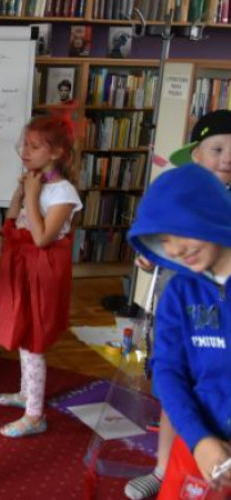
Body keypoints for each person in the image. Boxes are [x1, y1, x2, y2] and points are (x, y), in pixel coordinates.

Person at [125, 108, 231, 499]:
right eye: (163, 240)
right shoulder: (179, 293)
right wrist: (200, 440)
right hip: (197, 444)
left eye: (181, 232)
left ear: (210, 216)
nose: (174, 249)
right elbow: (169, 371)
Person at [0, 113, 82, 438]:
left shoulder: (63, 192)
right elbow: (11, 224)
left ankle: (35, 415)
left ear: (56, 152)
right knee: (24, 335)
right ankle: (27, 394)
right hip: (23, 271)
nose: (25, 151)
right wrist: (20, 194)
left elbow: (41, 239)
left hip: (42, 275)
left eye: (35, 146)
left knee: (34, 341)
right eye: (24, 144)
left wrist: (33, 195)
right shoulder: (37, 183)